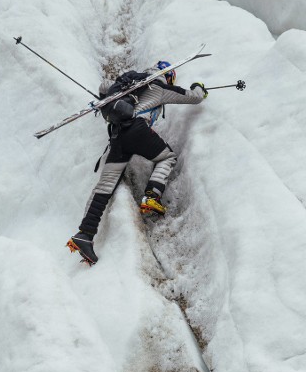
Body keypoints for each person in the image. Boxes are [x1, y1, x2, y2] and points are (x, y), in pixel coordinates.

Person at [67, 60, 208, 265]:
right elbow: (193, 98)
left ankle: (85, 234)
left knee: (105, 186)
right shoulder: (159, 87)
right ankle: (152, 196)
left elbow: (105, 87)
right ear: (168, 76)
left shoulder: (129, 85)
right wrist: (199, 88)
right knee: (167, 157)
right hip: (138, 129)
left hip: (117, 136)